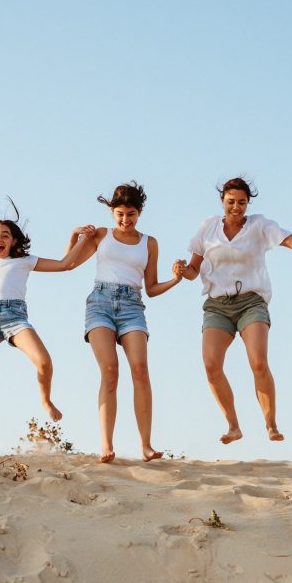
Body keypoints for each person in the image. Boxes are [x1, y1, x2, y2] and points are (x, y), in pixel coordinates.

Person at [173, 177, 292, 445]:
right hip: (217, 305)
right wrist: (183, 270)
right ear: (222, 201)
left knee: (258, 361)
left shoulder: (259, 226)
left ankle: (270, 424)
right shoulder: (207, 227)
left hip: (251, 302)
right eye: (231, 202)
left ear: (248, 203)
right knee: (211, 365)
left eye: (242, 202)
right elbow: (193, 270)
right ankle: (233, 426)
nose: (236, 207)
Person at [0, 206, 92, 443]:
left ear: (12, 241)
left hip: (15, 318)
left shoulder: (24, 261)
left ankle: (46, 400)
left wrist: (78, 237)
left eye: (4, 235)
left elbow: (65, 264)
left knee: (44, 361)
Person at [68, 182, 182, 463]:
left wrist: (176, 279)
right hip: (100, 304)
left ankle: (146, 445)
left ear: (139, 213)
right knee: (109, 369)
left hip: (133, 305)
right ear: (112, 212)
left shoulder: (149, 243)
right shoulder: (101, 236)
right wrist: (75, 235)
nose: (125, 220)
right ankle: (106, 445)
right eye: (119, 214)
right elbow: (69, 262)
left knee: (140, 370)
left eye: (131, 214)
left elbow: (152, 288)